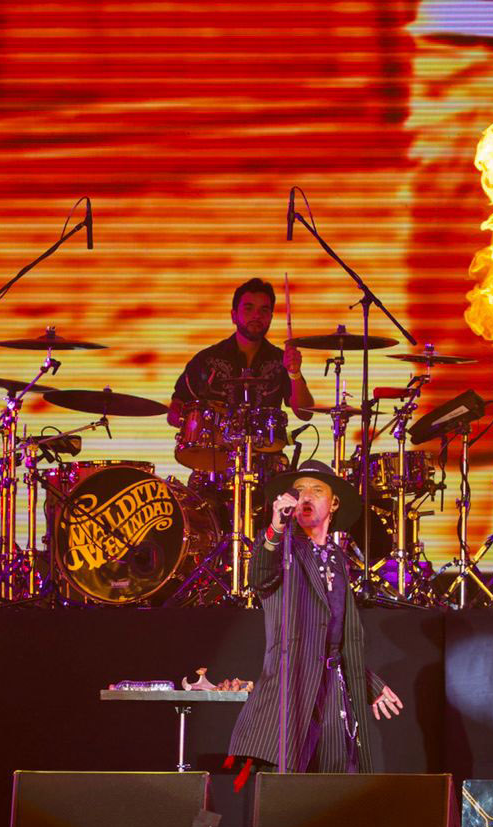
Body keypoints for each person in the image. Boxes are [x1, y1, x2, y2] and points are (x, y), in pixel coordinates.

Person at [225, 460, 403, 777]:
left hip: (332, 694)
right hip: (290, 698)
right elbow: (260, 576)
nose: (306, 496)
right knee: (284, 797)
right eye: (299, 490)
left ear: (333, 503)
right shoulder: (282, 549)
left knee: (336, 789)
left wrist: (368, 683)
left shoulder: (337, 560)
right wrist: (276, 528)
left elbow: (337, 638)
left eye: (317, 490)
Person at [168, 277, 316, 428]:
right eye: (248, 308)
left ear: (271, 318)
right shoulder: (206, 359)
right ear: (234, 316)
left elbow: (305, 413)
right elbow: (176, 409)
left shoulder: (281, 360)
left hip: (268, 443)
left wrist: (295, 373)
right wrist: (186, 420)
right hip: (217, 443)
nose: (257, 315)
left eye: (264, 310)